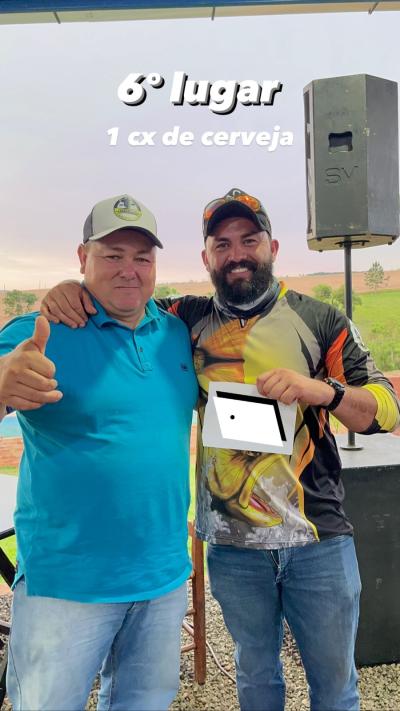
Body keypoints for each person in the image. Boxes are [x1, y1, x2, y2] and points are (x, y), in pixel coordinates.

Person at [40, 188, 400, 711]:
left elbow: (386, 408)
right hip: (232, 548)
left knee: (336, 687)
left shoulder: (321, 320)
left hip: (318, 539)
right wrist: (67, 289)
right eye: (222, 243)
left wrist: (322, 391)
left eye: (248, 240)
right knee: (255, 678)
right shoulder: (183, 319)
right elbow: (119, 298)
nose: (236, 253)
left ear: (271, 246)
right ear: (206, 256)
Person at [0, 193, 198, 711]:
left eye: (142, 257)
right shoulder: (39, 334)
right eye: (112, 255)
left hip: (162, 577)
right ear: (81, 257)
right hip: (66, 582)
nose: (128, 270)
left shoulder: (176, 332)